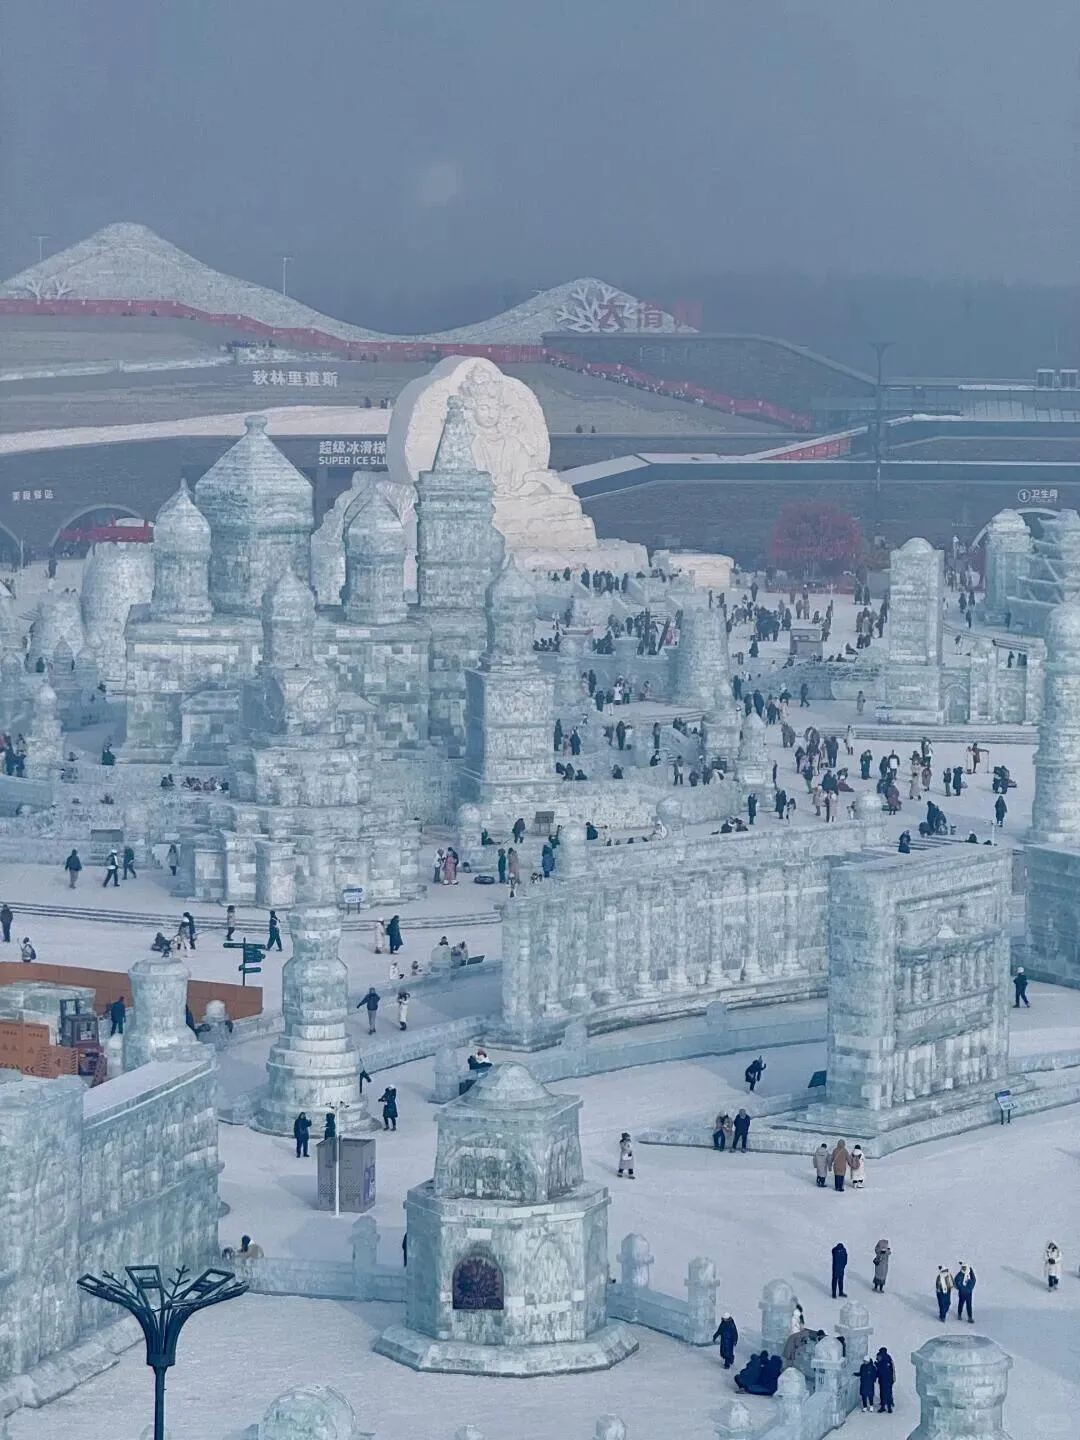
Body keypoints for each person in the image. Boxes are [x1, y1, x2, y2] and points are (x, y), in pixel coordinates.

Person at [875, 1347, 895, 1413]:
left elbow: (879, 1370)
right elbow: (892, 1369)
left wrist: (876, 1364)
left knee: (882, 1393)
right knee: (888, 1393)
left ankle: (883, 1406)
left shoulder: (880, 1357)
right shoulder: (889, 1358)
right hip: (889, 1379)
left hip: (882, 1379)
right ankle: (889, 1407)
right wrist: (893, 1378)